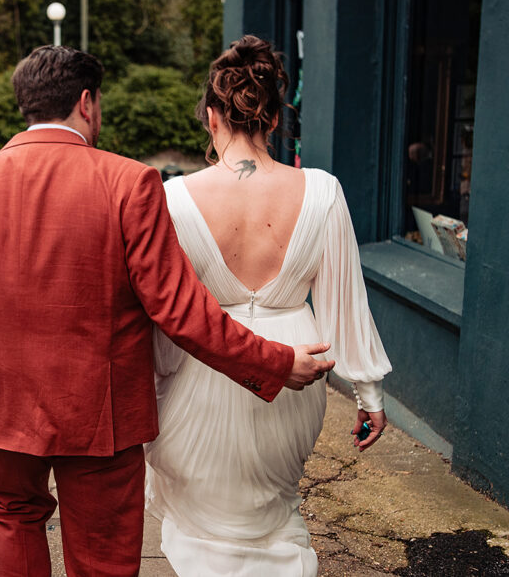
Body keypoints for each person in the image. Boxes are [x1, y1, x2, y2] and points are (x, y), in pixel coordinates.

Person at [0, 45, 335, 577]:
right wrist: (273, 362)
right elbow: (180, 309)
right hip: (100, 413)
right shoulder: (129, 183)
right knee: (101, 548)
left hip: (5, 404)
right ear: (87, 103)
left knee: (14, 517)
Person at [145, 35, 393, 576]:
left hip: (204, 371)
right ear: (274, 120)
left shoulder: (173, 198)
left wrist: (156, 385)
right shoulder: (323, 191)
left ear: (211, 117)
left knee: (202, 526)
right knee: (277, 513)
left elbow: (163, 311)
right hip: (293, 371)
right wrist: (369, 392)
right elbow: (345, 300)